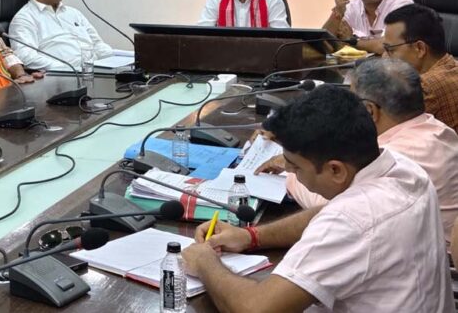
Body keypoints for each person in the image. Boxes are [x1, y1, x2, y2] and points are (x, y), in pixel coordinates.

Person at [182, 85, 451, 312]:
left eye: (296, 167)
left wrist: (206, 263)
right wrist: (251, 236)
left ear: (335, 170)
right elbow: (326, 213)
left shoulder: (349, 219)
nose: (290, 172)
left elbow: (258, 308)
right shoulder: (404, 168)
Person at [262, 59, 458, 243]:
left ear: (370, 111)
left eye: (351, 102)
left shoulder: (397, 154)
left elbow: (329, 203)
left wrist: (293, 167)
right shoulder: (439, 129)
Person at [8, 0, 113, 70]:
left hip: (94, 71)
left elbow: (97, 44)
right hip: (63, 76)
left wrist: (112, 60)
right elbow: (26, 57)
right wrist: (67, 69)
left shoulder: (73, 13)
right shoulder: (25, 18)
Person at [382, 3, 458, 133]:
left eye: (390, 50)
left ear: (420, 48)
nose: (386, 57)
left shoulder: (425, 87)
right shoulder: (451, 65)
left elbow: (386, 130)